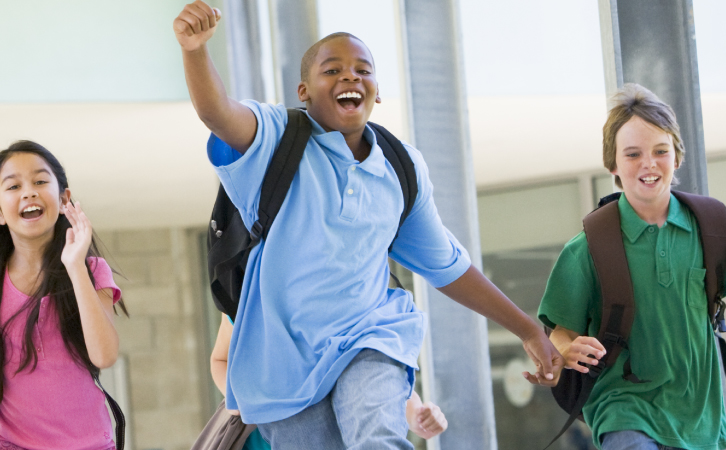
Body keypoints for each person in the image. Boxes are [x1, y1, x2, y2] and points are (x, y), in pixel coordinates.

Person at [172, 2, 561, 447]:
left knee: (378, 439)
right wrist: (195, 51)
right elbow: (217, 113)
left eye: (363, 69)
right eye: (332, 69)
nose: (350, 77)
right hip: (284, 364)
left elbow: (448, 267)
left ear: (377, 91)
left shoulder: (401, 168)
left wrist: (528, 329)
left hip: (370, 335)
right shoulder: (275, 138)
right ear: (304, 90)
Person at [537, 83, 726, 450]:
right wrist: (568, 349)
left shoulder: (713, 229)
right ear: (613, 165)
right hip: (624, 407)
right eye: (633, 154)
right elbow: (560, 331)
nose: (648, 164)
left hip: (703, 414)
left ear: (677, 157)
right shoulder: (588, 248)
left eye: (660, 151)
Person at [0, 141, 127, 450]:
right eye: (13, 186)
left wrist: (75, 266)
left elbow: (104, 355)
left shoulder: (90, 270)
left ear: (64, 198)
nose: (29, 192)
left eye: (40, 181)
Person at [208, 316, 448, 450]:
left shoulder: (348, 301)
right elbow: (220, 359)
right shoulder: (246, 297)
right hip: (263, 436)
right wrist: (239, 396)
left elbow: (372, 374)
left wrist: (417, 415)